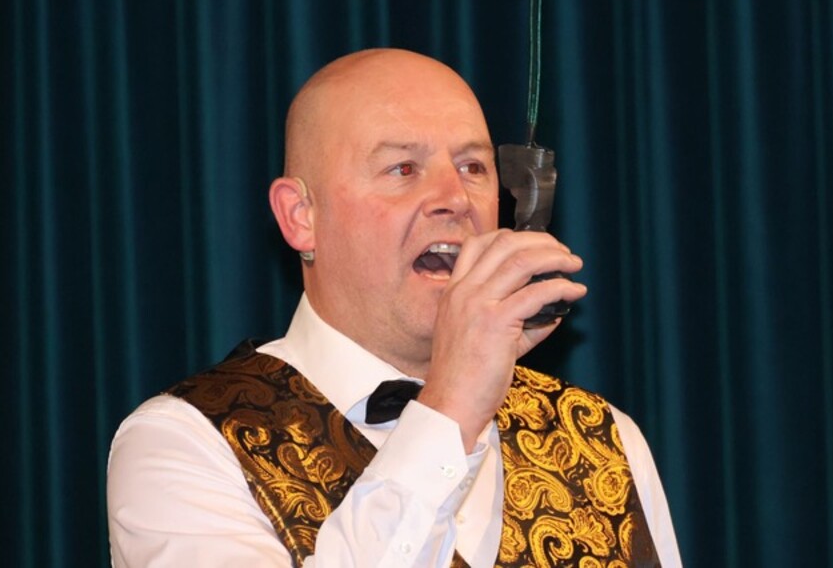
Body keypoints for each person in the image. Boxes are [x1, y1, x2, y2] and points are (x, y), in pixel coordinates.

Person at [107, 48, 683, 567]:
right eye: (403, 169)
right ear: (301, 216)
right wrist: (452, 406)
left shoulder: (603, 436)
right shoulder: (182, 445)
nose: (455, 199)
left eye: (473, 167)